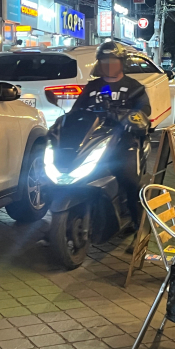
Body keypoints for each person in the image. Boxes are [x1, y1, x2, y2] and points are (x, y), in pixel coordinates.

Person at [72, 41, 151, 229]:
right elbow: (76, 111)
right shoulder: (91, 87)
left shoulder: (135, 87)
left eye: (113, 60)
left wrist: (129, 117)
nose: (108, 64)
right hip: (95, 141)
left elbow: (144, 111)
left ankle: (139, 228)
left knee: (131, 181)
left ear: (121, 62)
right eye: (104, 60)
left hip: (125, 141)